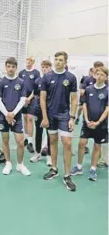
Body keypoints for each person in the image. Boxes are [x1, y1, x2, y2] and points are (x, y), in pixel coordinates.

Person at [40, 51, 78, 192]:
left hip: (64, 115)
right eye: (56, 59)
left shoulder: (71, 78)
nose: (57, 62)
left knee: (67, 143)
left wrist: (72, 117)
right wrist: (44, 117)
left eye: (60, 60)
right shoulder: (47, 77)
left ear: (65, 62)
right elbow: (43, 98)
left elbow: (74, 99)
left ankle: (67, 175)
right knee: (53, 141)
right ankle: (54, 168)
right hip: (50, 115)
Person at [71, 67, 108, 181]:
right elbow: (84, 105)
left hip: (101, 124)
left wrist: (98, 122)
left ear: (106, 77)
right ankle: (79, 167)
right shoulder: (88, 89)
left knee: (97, 146)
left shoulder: (107, 91)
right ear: (94, 75)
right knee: (82, 143)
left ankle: (93, 169)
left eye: (102, 74)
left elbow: (107, 109)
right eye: (98, 74)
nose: (99, 76)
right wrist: (86, 120)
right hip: (87, 123)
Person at [0, 57, 31, 176]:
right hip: (3, 116)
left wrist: (13, 114)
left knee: (20, 141)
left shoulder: (21, 82)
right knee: (5, 139)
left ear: (16, 68)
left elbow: (22, 100)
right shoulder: (1, 82)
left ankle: (20, 165)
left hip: (17, 116)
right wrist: (7, 114)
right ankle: (8, 163)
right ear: (6, 67)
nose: (10, 69)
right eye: (8, 66)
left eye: (13, 67)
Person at [30, 60, 52, 166]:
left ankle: (49, 156)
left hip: (50, 111)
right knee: (38, 132)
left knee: (49, 134)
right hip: (38, 110)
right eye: (43, 67)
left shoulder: (53, 80)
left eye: (47, 67)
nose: (45, 69)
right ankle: (37, 153)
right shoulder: (37, 80)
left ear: (50, 68)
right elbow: (35, 95)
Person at [18, 56, 40, 153]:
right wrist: (23, 98)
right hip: (23, 99)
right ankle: (26, 138)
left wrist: (29, 98)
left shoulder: (36, 73)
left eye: (31, 60)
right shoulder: (21, 73)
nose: (28, 62)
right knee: (25, 118)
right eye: (27, 60)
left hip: (32, 98)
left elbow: (36, 87)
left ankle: (30, 142)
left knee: (30, 118)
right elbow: (18, 86)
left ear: (33, 62)